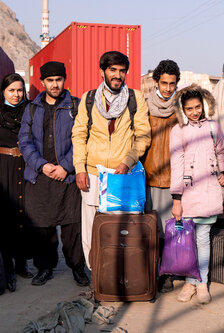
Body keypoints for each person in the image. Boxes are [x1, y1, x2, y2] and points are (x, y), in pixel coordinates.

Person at [71, 51, 151, 269]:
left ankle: (121, 276)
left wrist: (127, 162)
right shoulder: (88, 99)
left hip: (121, 175)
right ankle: (96, 277)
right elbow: (78, 135)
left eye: (122, 70)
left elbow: (143, 136)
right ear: (102, 72)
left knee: (120, 230)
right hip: (92, 175)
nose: (117, 75)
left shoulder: (135, 99)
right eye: (112, 70)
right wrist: (79, 168)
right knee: (92, 230)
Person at [19, 62, 89, 287]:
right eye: (50, 80)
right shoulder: (32, 108)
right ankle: (45, 268)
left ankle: (77, 267)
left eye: (59, 79)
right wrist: (42, 165)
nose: (55, 84)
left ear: (64, 80)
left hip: (67, 178)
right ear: (42, 82)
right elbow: (24, 142)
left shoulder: (75, 106)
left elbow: (83, 138)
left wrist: (66, 166)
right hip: (39, 176)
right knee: (42, 226)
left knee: (72, 227)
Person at [170, 84, 224, 304]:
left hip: (208, 191)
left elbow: (223, 151)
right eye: (189, 108)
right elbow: (176, 163)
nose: (194, 112)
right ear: (182, 110)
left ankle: (202, 283)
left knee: (203, 239)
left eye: (198, 107)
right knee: (188, 241)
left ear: (204, 105)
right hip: (187, 192)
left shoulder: (214, 126)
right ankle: (190, 281)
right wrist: (176, 198)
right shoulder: (178, 130)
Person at [0, 73, 34, 292]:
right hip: (1, 167)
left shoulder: (31, 110)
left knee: (24, 215)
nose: (16, 95)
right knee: (3, 218)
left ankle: (22, 263)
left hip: (25, 166)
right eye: (11, 90)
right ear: (3, 91)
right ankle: (7, 265)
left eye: (19, 90)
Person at [141, 59, 181, 292]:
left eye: (171, 84)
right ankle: (148, 270)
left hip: (172, 178)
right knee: (149, 230)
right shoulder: (143, 106)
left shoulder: (181, 108)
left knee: (169, 231)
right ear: (156, 81)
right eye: (163, 83)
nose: (167, 88)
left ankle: (165, 272)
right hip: (147, 177)